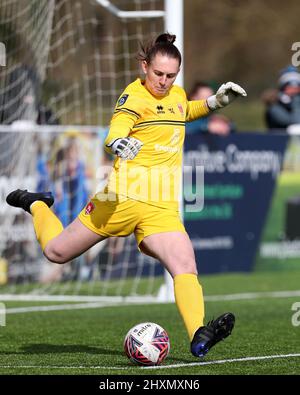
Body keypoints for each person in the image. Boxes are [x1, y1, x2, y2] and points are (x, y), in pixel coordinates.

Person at [6, 33, 246, 358]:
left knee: (185, 266)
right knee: (56, 252)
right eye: (158, 73)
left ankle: (199, 336)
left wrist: (215, 103)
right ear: (144, 66)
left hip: (160, 205)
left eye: (170, 75)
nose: (163, 81)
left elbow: (182, 111)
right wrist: (119, 143)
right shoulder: (132, 97)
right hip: (119, 199)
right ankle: (35, 202)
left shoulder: (174, 94)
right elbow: (114, 132)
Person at [265, 65, 300, 130]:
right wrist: (296, 102)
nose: (294, 91)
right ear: (283, 89)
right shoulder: (275, 107)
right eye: (290, 87)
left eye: (297, 87)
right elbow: (296, 122)